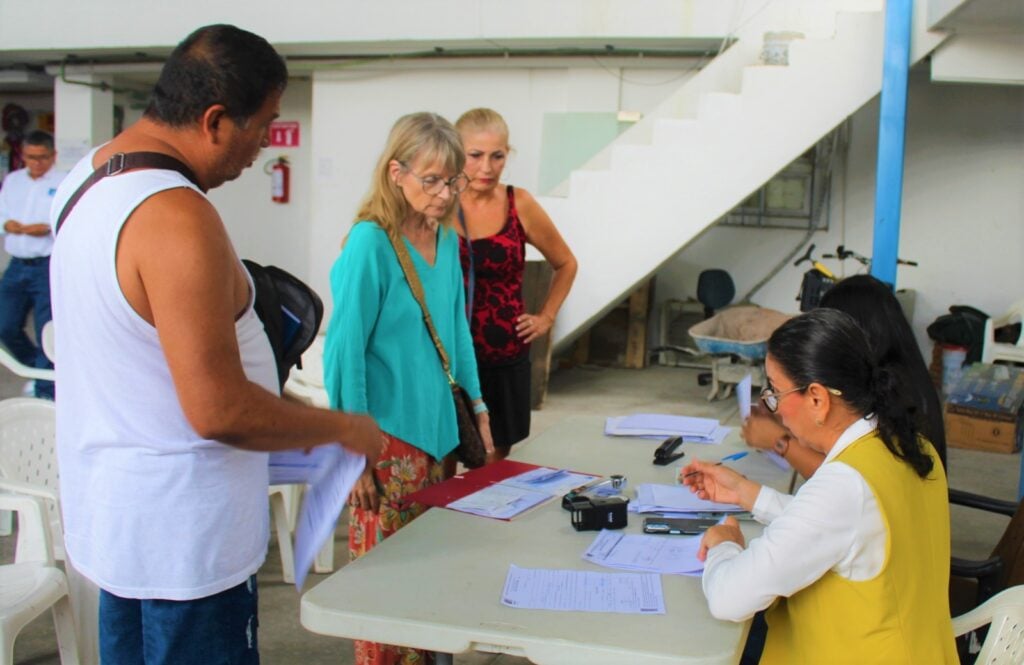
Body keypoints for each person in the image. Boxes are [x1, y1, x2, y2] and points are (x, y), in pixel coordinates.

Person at [50, 25, 383, 665]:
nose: (262, 145)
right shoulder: (175, 215)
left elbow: (136, 350)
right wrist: (343, 427)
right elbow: (219, 410)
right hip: (184, 548)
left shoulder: (85, 182)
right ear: (213, 121)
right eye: (262, 125)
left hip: (115, 523)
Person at [681, 308, 956, 663]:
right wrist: (747, 493)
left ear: (817, 398)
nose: (773, 407)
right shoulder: (909, 445)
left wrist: (723, 546)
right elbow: (844, 532)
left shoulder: (844, 486)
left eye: (775, 392)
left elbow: (728, 599)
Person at [323, 111, 494, 665]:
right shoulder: (370, 244)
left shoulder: (446, 241)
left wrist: (479, 406)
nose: (445, 194)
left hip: (441, 438)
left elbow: (458, 334)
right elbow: (343, 351)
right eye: (432, 180)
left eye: (453, 181)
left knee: (430, 582)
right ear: (396, 172)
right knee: (385, 587)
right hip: (388, 441)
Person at [454, 108, 577, 460]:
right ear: (456, 153)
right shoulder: (439, 202)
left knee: (493, 458)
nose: (487, 168)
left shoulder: (518, 202)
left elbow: (566, 263)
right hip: (449, 355)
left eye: (498, 156)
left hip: (503, 355)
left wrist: (546, 317)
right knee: (443, 458)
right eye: (475, 156)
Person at [741, 274, 947, 477]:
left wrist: (780, 441)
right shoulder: (902, 372)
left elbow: (841, 478)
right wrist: (788, 411)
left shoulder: (894, 394)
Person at [0, 129, 64, 399]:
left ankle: (46, 390)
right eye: (30, 157)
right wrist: (7, 224)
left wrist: (48, 228)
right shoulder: (13, 180)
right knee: (5, 325)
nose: (36, 163)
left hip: (45, 266)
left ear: (53, 156)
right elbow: (3, 212)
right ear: (23, 155)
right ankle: (32, 368)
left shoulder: (63, 181)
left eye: (42, 157)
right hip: (16, 265)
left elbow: (68, 218)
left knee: (45, 329)